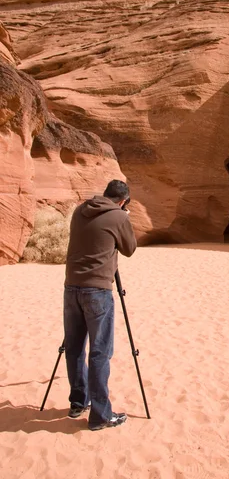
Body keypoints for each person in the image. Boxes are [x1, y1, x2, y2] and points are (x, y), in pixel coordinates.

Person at [64, 179, 136, 431]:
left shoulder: (79, 210)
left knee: (74, 348)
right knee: (100, 352)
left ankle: (77, 402)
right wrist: (123, 217)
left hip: (71, 287)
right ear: (123, 200)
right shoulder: (118, 216)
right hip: (98, 290)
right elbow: (129, 248)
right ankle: (100, 415)